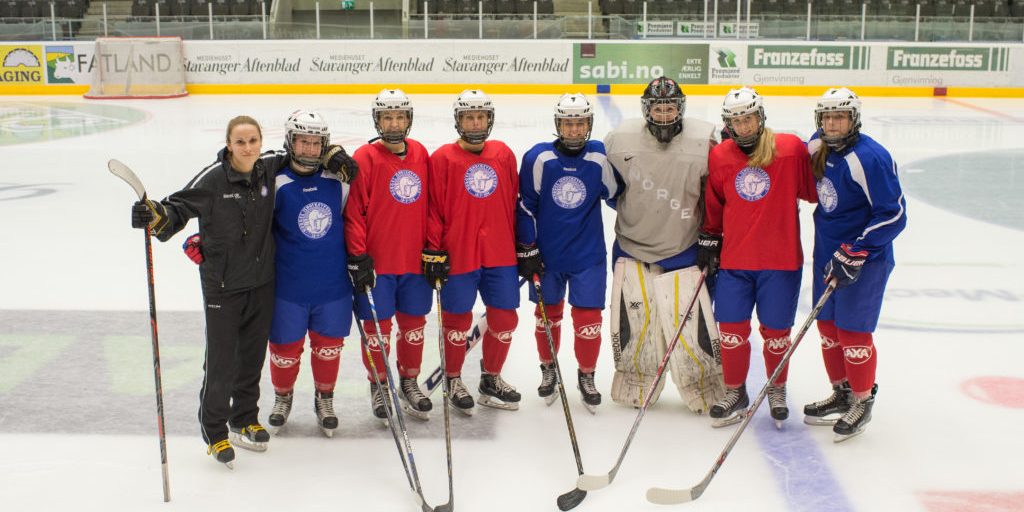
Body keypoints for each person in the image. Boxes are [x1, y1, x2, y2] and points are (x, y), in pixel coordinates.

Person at [131, 115, 356, 467]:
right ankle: (215, 432)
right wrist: (156, 216)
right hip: (222, 286)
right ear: (228, 144)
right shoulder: (213, 178)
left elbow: (304, 152)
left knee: (251, 358)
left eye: (253, 141)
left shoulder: (268, 169)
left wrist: (336, 153)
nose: (248, 147)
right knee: (221, 362)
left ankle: (245, 418)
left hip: (262, 282)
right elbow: (177, 208)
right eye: (240, 142)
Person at [603, 76, 724, 413]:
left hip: (685, 246)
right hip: (631, 245)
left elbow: (716, 193)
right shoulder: (619, 140)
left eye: (670, 108)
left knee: (692, 325)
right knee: (636, 325)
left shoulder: (706, 140)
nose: (665, 114)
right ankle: (636, 379)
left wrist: (712, 237)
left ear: (680, 108)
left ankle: (704, 382)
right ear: (647, 110)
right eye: (658, 108)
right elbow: (613, 192)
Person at [699, 87, 817, 429]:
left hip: (780, 263)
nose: (743, 127)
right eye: (735, 121)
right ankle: (736, 391)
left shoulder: (791, 150)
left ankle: (776, 389)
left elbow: (811, 192)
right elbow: (715, 203)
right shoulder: (721, 155)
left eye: (748, 118)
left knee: (777, 333)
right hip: (736, 262)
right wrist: (709, 236)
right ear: (727, 125)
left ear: (760, 117)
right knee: (731, 331)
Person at [803, 87, 906, 442]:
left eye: (840, 117)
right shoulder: (816, 145)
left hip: (865, 260)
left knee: (852, 334)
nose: (832, 124)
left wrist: (859, 248)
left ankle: (862, 399)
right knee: (828, 329)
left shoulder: (871, 158)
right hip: (827, 254)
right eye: (827, 117)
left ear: (854, 119)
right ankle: (842, 392)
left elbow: (894, 215)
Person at [516, 93, 618, 413]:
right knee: (548, 317)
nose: (574, 130)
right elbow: (524, 206)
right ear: (558, 124)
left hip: (588, 256)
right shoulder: (538, 158)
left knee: (589, 320)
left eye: (580, 124)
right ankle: (549, 370)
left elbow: (615, 194)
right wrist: (528, 248)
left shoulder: (599, 156)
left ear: (589, 124)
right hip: (547, 257)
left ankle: (586, 376)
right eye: (568, 123)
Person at [423, 89, 521, 415]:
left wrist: (524, 245)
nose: (475, 122)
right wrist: (434, 251)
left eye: (481, 116)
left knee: (505, 318)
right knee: (456, 321)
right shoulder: (442, 159)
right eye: (469, 116)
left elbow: (513, 203)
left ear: (489, 119)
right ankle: (453, 378)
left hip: (500, 253)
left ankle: (490, 379)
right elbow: (434, 209)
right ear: (458, 120)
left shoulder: (504, 154)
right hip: (459, 252)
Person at [262, 110, 355, 439]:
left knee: (329, 347)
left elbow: (355, 223)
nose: (310, 149)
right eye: (303, 141)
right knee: (285, 350)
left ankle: (324, 399)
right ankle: (282, 397)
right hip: (288, 287)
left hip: (333, 286)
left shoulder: (339, 182)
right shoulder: (276, 183)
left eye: (317, 143)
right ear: (290, 141)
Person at [345, 89, 435, 422]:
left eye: (399, 117)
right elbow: (354, 212)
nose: (394, 123)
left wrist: (433, 248)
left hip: (414, 262)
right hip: (380, 264)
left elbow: (430, 207)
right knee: (378, 331)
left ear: (408, 120)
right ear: (377, 121)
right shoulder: (365, 157)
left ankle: (409, 381)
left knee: (414, 327)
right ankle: (379, 385)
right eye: (387, 117)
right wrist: (358, 256)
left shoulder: (421, 153)